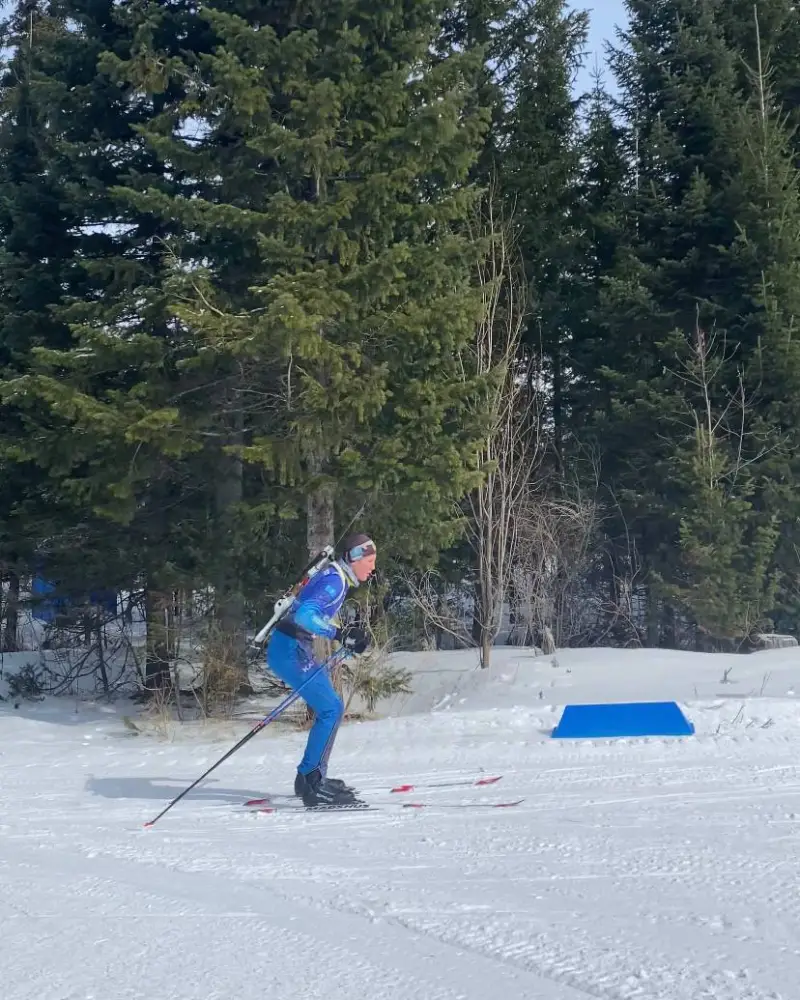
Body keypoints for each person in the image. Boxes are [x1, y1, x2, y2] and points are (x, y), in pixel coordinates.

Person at [265, 533, 376, 807]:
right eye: (370, 561)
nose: (373, 568)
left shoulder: (336, 577)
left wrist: (347, 636)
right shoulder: (335, 581)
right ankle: (313, 782)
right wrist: (339, 634)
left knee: (330, 707)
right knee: (331, 708)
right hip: (290, 649)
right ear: (354, 558)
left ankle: (308, 777)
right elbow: (305, 616)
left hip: (291, 647)